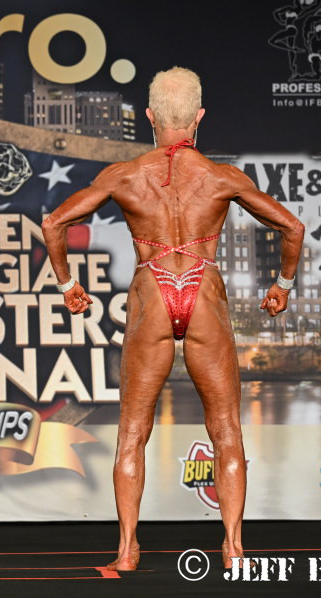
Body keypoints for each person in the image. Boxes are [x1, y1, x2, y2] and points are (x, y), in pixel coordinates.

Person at [42, 67, 304, 570]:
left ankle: (126, 550)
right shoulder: (223, 177)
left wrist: (68, 286)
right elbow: (292, 227)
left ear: (149, 117)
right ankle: (233, 548)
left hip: (152, 293)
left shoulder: (124, 175)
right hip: (202, 291)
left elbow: (54, 223)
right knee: (225, 429)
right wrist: (282, 286)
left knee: (132, 431)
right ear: (199, 117)